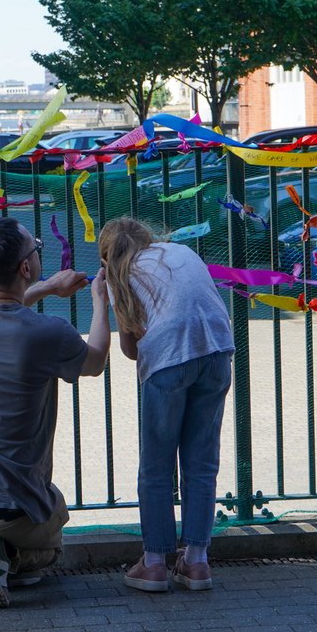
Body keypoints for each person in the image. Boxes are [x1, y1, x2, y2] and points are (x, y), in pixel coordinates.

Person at [0, 217, 111, 608]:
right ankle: (10, 559)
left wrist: (43, 288)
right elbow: (94, 362)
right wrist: (100, 302)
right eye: (36, 248)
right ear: (25, 267)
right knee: (54, 523)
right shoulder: (48, 333)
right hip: (13, 510)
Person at [97, 217, 234, 593]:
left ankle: (155, 563)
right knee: (201, 462)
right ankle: (197, 562)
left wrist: (104, 296)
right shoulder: (181, 251)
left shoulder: (118, 275)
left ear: (107, 257)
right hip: (218, 352)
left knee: (157, 466)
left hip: (170, 361)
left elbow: (129, 350)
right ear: (149, 237)